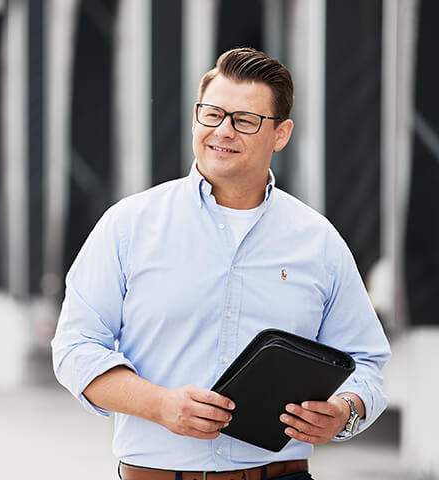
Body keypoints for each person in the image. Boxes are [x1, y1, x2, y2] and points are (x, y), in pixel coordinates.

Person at [51, 47, 391, 479]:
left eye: (245, 121)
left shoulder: (318, 240)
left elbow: (366, 360)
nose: (223, 132)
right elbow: (76, 348)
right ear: (196, 118)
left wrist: (345, 411)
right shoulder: (129, 225)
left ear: (281, 134)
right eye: (212, 114)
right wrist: (160, 405)